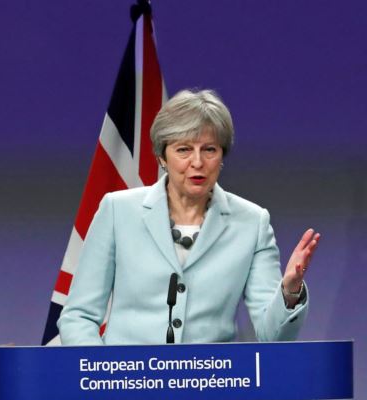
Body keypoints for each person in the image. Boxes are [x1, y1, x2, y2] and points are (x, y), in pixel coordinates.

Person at [59, 89, 320, 345]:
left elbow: (272, 336)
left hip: (213, 373)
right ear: (162, 157)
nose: (197, 162)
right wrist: (105, 369)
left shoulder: (252, 223)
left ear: (221, 156)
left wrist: (289, 292)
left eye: (209, 150)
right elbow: (79, 317)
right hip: (126, 371)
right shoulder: (117, 211)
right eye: (183, 150)